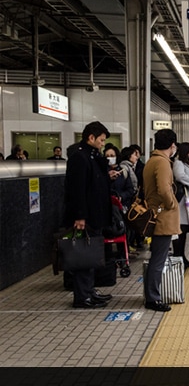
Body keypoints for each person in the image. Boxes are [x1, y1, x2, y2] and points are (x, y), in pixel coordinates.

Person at [63, 121, 116, 308]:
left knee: (91, 254)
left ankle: (89, 291)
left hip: (95, 215)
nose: (103, 144)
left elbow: (93, 181)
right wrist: (80, 216)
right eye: (101, 140)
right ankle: (82, 296)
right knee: (84, 255)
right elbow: (76, 190)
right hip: (86, 216)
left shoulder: (92, 156)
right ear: (91, 138)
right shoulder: (79, 157)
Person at [142, 129, 180, 312]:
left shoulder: (151, 160)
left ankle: (152, 295)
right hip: (162, 217)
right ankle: (153, 298)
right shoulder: (163, 163)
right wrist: (172, 204)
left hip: (154, 214)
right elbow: (164, 189)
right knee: (158, 259)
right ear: (172, 145)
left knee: (157, 257)